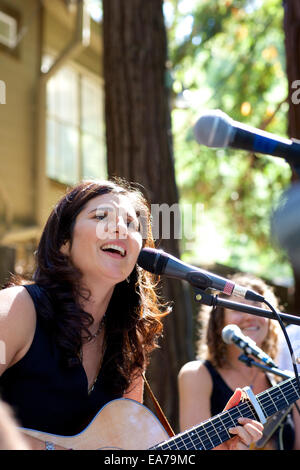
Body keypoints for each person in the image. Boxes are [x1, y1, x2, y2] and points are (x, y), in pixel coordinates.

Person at [0, 179, 262, 450]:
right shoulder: (18, 309)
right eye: (100, 216)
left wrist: (218, 446)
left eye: (131, 224)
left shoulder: (128, 340)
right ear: (64, 241)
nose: (119, 229)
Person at [178, 272, 300, 450]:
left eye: (257, 307)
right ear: (219, 321)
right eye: (238, 308)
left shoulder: (287, 379)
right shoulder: (197, 375)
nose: (250, 315)